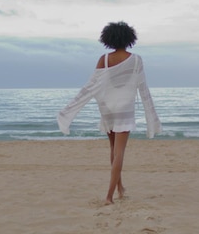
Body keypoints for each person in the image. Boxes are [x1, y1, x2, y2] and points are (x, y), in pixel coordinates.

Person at [57, 21, 162, 205]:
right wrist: (151, 116)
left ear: (109, 39)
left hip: (107, 108)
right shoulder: (136, 59)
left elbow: (90, 86)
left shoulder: (104, 59)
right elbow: (143, 89)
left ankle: (120, 188)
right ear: (129, 38)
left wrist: (70, 108)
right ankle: (109, 196)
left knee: (113, 149)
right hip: (125, 108)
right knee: (120, 152)